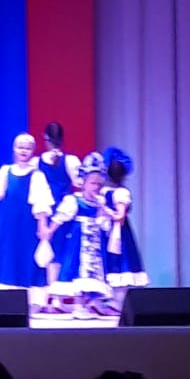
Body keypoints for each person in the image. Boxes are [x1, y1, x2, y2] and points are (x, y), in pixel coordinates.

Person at [0, 132, 53, 304]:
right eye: (20, 147)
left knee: (26, 256)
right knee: (6, 255)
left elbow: (41, 202)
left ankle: (32, 300)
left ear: (32, 151)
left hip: (27, 224)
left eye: (27, 148)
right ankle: (3, 299)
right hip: (8, 224)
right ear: (14, 149)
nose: (23, 151)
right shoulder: (6, 171)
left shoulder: (36, 175)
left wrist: (42, 225)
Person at [50, 151, 115, 318]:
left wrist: (102, 211)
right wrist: (49, 231)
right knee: (77, 270)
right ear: (84, 183)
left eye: (99, 184)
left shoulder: (100, 203)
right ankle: (79, 305)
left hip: (95, 241)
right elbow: (60, 217)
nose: (96, 187)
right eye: (92, 183)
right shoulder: (75, 200)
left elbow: (105, 225)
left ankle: (94, 302)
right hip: (79, 242)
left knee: (95, 271)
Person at [100, 147, 148, 293]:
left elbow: (119, 217)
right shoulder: (110, 191)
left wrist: (105, 209)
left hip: (115, 231)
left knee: (117, 261)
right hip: (111, 230)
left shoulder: (118, 192)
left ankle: (117, 299)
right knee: (114, 261)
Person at [37, 122, 80, 283]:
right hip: (64, 211)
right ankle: (56, 290)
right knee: (61, 252)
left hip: (45, 211)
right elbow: (79, 183)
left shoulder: (37, 162)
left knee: (48, 252)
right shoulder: (70, 161)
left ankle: (48, 289)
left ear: (45, 140)